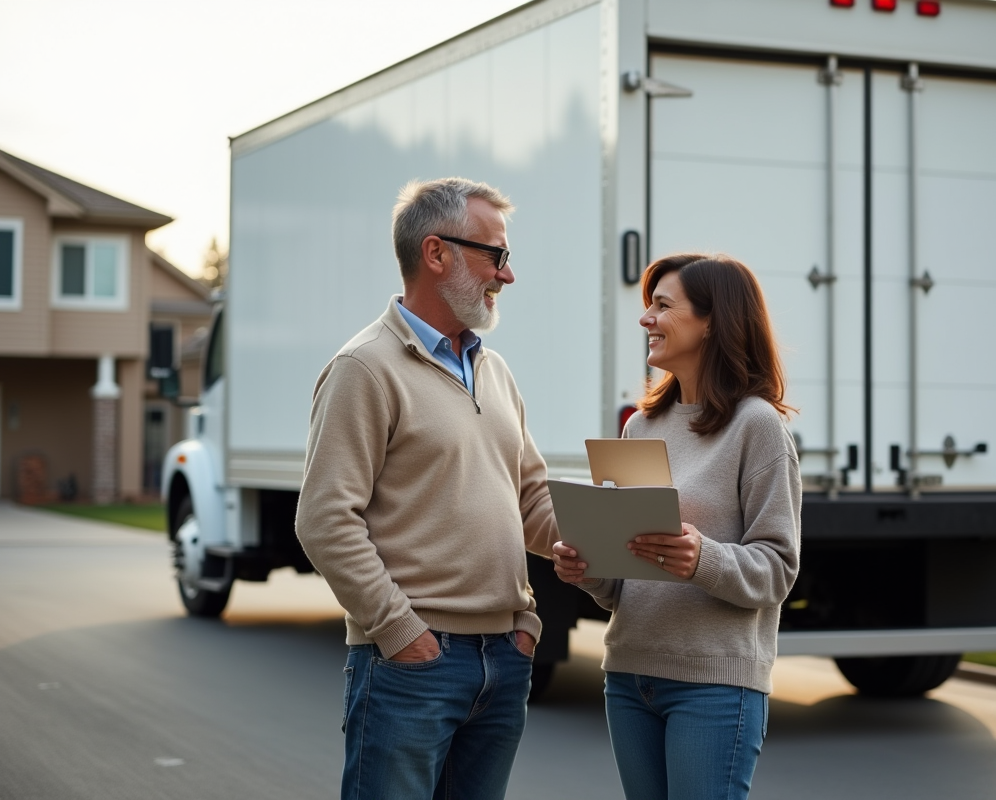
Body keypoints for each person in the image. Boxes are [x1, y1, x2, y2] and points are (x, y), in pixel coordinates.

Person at [295, 177, 557, 800]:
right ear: (436, 254)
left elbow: (533, 501)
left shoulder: (493, 370)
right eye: (496, 255)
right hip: (413, 665)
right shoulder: (365, 368)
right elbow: (325, 520)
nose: (507, 275)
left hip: (505, 658)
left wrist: (619, 531)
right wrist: (401, 632)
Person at [553, 253, 801, 800]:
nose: (646, 319)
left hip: (715, 686)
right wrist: (589, 567)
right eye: (648, 305)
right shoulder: (642, 425)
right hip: (629, 675)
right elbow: (623, 582)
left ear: (714, 321)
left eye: (662, 306)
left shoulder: (757, 426)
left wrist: (701, 558)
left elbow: (778, 569)